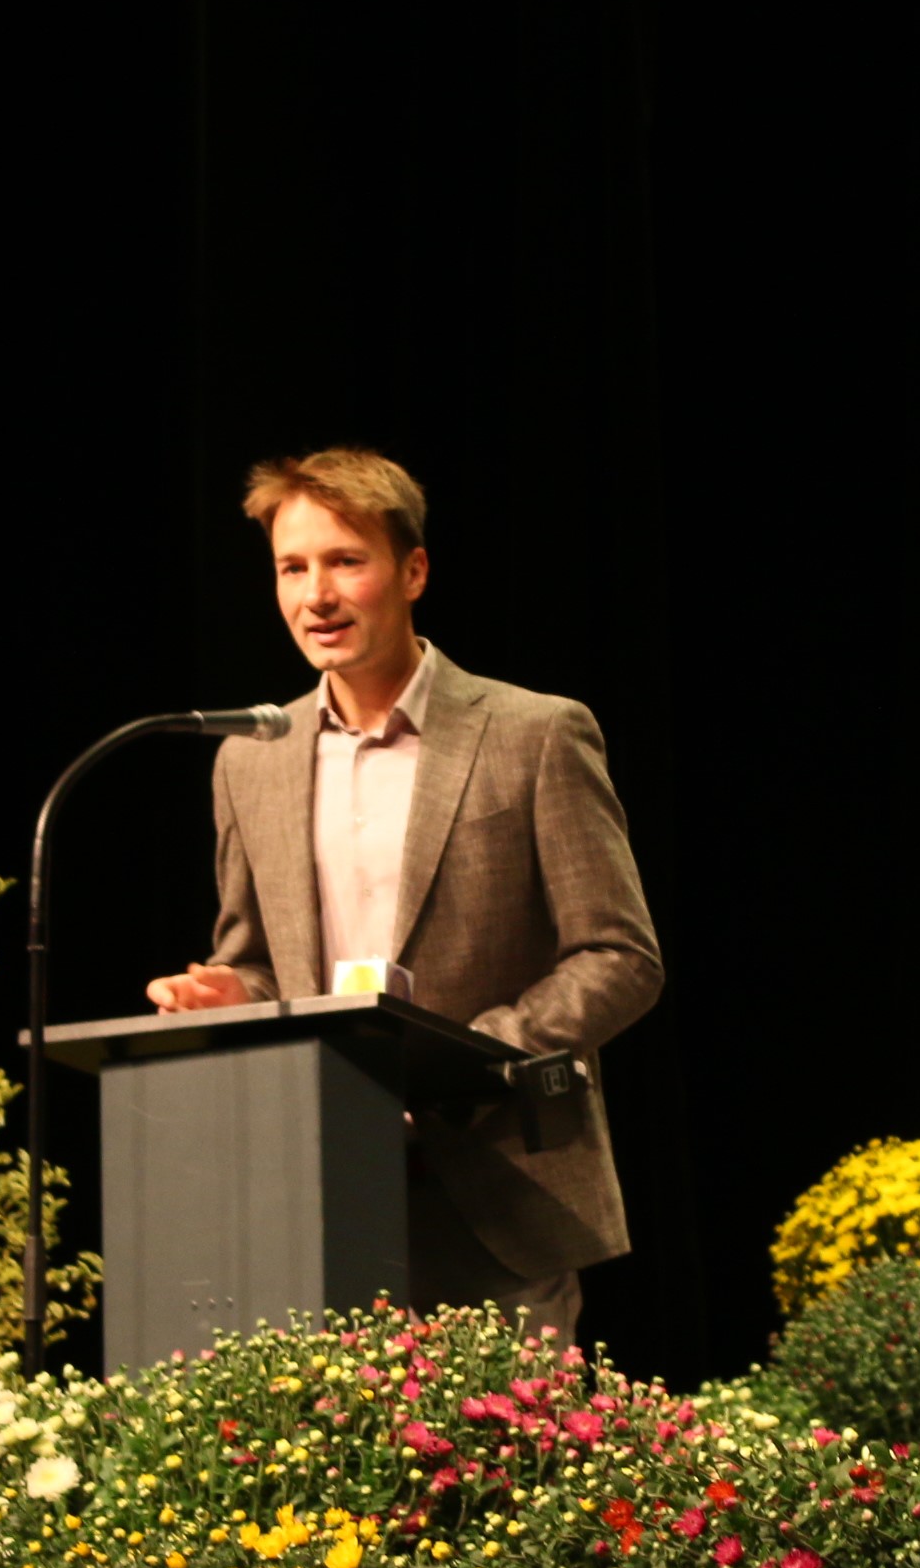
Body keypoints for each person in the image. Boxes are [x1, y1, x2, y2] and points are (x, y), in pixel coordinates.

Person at [147, 447, 662, 1336]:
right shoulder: (250, 761)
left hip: (499, 1181)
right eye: (293, 568)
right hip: (320, 1185)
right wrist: (232, 996)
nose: (318, 595)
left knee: (504, 1471)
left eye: (347, 561)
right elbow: (260, 964)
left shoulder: (533, 733)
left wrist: (470, 1057)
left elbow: (620, 957)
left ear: (413, 569)